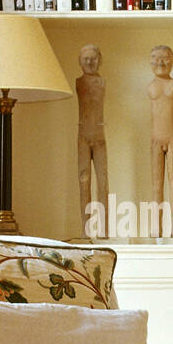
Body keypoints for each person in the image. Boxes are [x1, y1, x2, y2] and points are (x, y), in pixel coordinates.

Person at [148, 44, 173, 238]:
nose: (161, 62)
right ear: (151, 61)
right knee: (156, 185)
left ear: (172, 60)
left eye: (165, 58)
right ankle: (156, 226)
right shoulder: (151, 85)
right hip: (155, 138)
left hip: (171, 137)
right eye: (156, 58)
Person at [76, 45, 109, 237]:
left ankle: (105, 229)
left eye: (93, 58)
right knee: (84, 180)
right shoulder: (79, 82)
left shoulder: (101, 81)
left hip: (99, 136)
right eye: (86, 58)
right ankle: (86, 230)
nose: (89, 62)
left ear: (99, 60)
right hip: (83, 136)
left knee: (103, 181)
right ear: (80, 61)